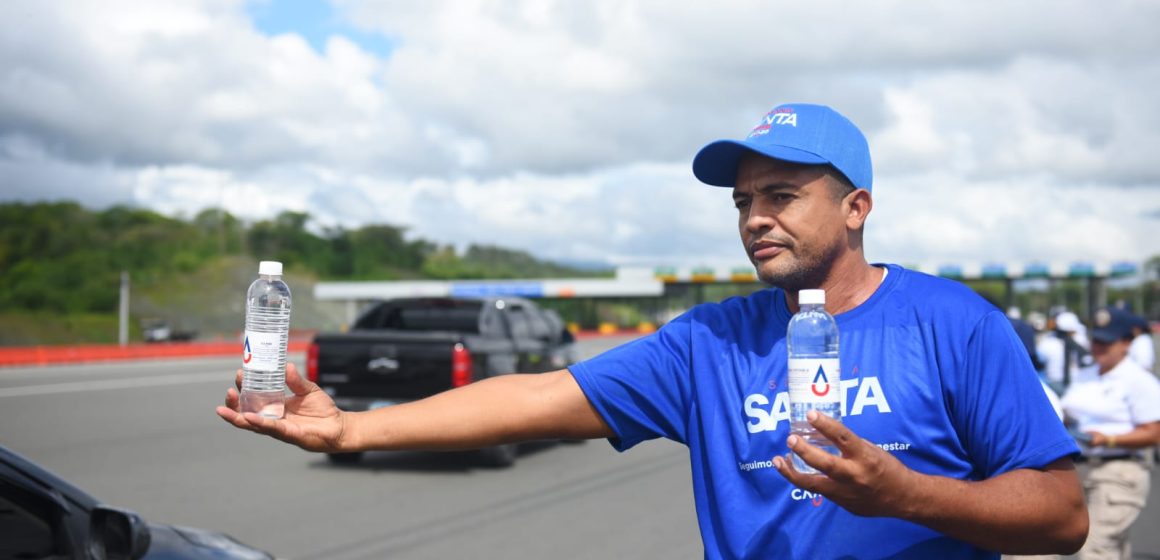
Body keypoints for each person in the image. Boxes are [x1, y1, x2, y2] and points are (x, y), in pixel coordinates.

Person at [217, 103, 1088, 559]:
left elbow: (1061, 517)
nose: (754, 219)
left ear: (856, 207)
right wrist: (352, 429)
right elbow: (539, 396)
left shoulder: (955, 325)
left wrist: (905, 495)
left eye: (781, 195)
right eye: (744, 201)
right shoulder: (708, 342)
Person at [1060, 307, 1160, 559]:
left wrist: (1109, 439)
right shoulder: (1085, 374)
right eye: (1096, 340)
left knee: (1096, 547)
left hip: (1119, 468)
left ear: (1126, 343)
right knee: (1108, 546)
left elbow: (1153, 433)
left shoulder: (1139, 381)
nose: (1098, 347)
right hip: (1079, 466)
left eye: (1107, 342)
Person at [1038, 311, 1091, 393]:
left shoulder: (1047, 342)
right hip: (1073, 384)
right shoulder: (1081, 340)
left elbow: (1040, 361)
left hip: (1058, 384)